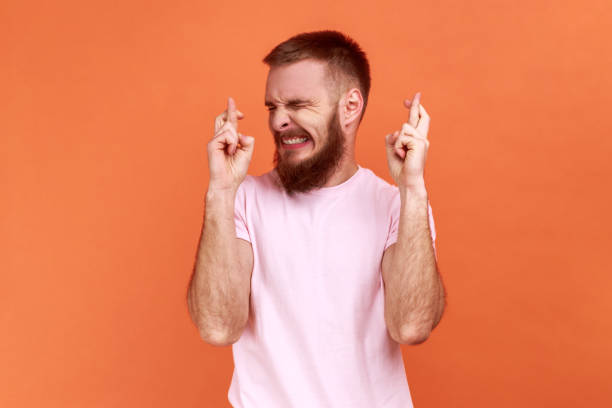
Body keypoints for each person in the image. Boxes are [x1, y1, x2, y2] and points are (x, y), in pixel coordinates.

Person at [187, 30, 445, 408]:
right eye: (272, 107)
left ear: (350, 106)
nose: (278, 122)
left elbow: (411, 326)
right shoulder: (241, 201)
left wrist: (414, 189)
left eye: (297, 104)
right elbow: (217, 326)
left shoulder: (398, 205)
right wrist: (221, 191)